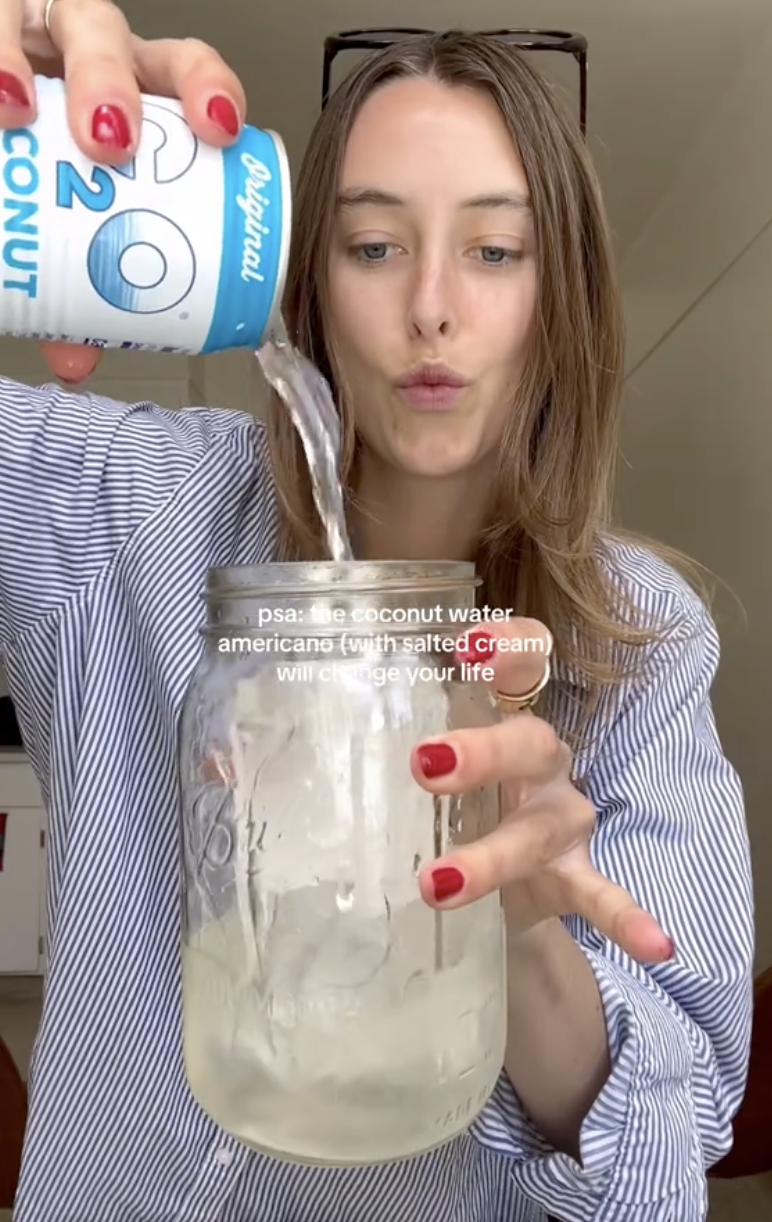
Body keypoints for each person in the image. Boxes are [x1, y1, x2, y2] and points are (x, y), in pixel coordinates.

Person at [0, 4, 755, 1221]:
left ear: (558, 302)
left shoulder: (642, 640)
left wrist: (516, 934)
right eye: (372, 246)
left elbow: (665, 1169)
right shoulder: (124, 513)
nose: (432, 310)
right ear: (308, 285)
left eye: (496, 252)